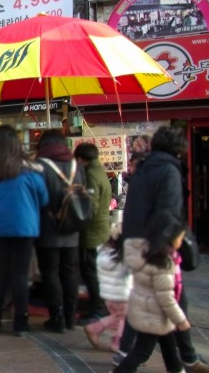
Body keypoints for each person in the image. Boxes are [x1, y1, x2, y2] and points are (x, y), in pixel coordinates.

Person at [118, 126, 209, 372]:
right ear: (178, 150)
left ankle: (183, 362)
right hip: (155, 246)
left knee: (157, 311)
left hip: (134, 244)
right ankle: (187, 357)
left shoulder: (144, 168)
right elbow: (168, 213)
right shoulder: (167, 170)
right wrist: (166, 246)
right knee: (170, 300)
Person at [0, 125, 48, 336]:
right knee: (19, 276)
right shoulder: (31, 173)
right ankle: (20, 323)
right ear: (18, 146)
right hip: (24, 229)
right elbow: (44, 199)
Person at [114, 220, 189, 373]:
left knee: (169, 348)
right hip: (154, 314)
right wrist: (180, 320)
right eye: (180, 238)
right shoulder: (163, 263)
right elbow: (166, 298)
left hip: (147, 310)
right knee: (142, 352)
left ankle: (176, 369)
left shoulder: (148, 254)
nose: (181, 242)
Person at [35, 130, 85, 332]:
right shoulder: (77, 166)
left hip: (48, 228)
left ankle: (57, 319)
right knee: (70, 272)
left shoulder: (40, 166)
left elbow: (38, 197)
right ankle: (70, 317)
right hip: (73, 228)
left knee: (50, 273)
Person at [74, 142, 112, 322]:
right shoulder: (101, 172)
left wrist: (78, 221)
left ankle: (97, 308)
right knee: (94, 270)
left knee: (91, 271)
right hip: (101, 228)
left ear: (81, 159)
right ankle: (98, 306)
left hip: (93, 231)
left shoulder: (91, 175)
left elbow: (91, 206)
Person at [85, 223, 131, 352]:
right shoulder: (124, 257)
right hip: (123, 295)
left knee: (118, 316)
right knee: (126, 318)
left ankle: (95, 328)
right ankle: (118, 342)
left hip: (108, 295)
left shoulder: (104, 253)